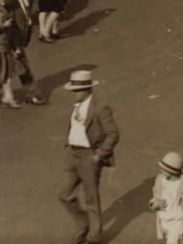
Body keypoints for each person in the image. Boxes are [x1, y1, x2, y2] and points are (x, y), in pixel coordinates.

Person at [59, 70, 119, 244]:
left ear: (86, 89)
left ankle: (95, 238)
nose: (73, 93)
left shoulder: (99, 108)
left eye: (76, 90)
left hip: (88, 156)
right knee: (64, 194)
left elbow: (113, 134)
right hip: (72, 154)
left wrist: (98, 156)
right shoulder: (78, 104)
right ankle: (83, 223)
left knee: (91, 199)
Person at [149, 152, 183, 244]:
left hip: (178, 222)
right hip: (164, 220)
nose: (161, 170)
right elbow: (155, 197)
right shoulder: (160, 180)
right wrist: (154, 205)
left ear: (172, 171)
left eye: (164, 169)